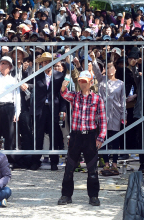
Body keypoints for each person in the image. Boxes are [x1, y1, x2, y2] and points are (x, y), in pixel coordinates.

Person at [59, 70, 106, 206]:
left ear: (91, 83)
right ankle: (66, 195)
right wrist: (63, 86)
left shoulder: (97, 99)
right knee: (69, 168)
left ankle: (93, 196)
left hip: (90, 136)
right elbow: (64, 94)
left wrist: (101, 137)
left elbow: (103, 120)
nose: (82, 83)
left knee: (92, 169)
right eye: (80, 81)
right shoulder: (75, 96)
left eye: (85, 81)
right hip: (76, 136)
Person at [31, 52, 67, 171]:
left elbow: (62, 94)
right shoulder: (37, 75)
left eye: (49, 61)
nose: (47, 64)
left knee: (54, 135)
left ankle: (54, 162)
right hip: (40, 109)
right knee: (39, 135)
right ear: (41, 63)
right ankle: (36, 161)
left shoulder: (59, 75)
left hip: (54, 109)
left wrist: (62, 110)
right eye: (45, 62)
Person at [90, 55, 125, 176]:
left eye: (112, 67)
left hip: (115, 113)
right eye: (108, 67)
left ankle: (114, 163)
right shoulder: (101, 80)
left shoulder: (121, 83)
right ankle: (105, 163)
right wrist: (93, 59)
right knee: (103, 138)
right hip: (103, 113)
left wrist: (123, 115)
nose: (110, 69)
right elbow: (96, 71)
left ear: (115, 69)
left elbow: (123, 100)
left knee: (115, 138)